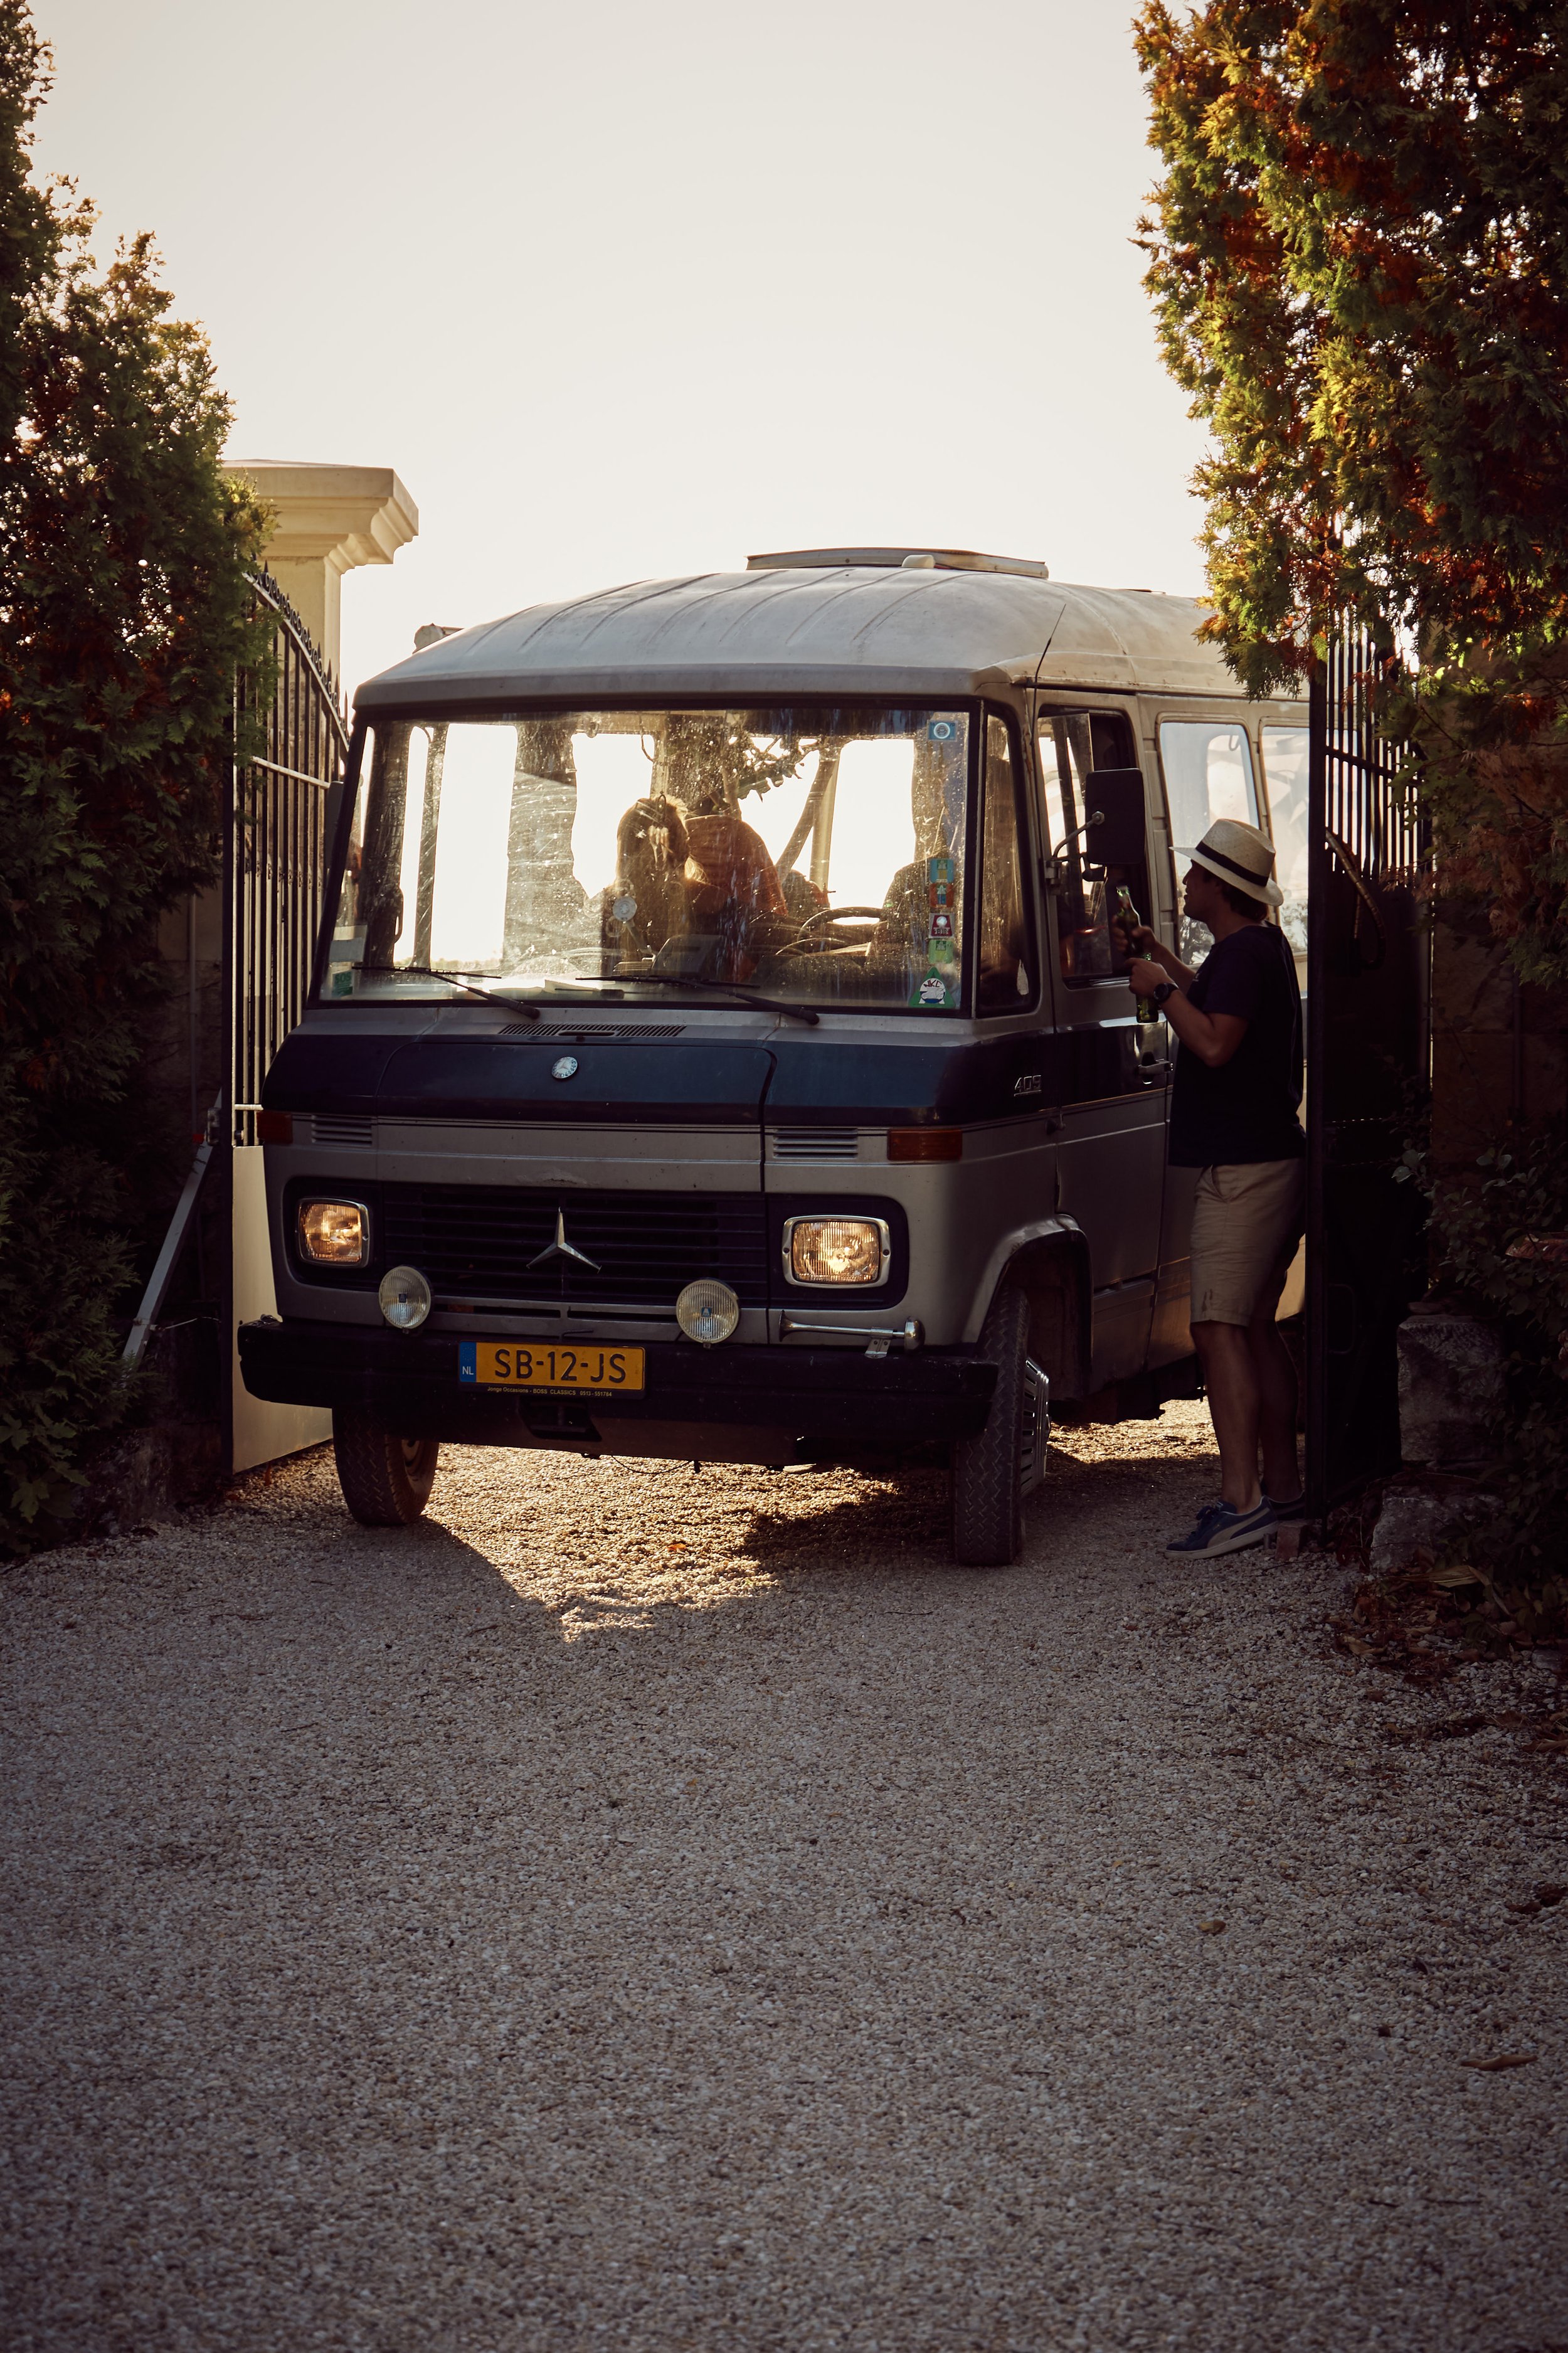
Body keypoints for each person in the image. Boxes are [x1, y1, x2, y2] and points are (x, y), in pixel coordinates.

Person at [1124, 818, 1306, 1556]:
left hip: (1242, 1173)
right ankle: (1285, 1489)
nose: (1186, 885)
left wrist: (1157, 985)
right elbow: (1212, 1000)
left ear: (1220, 889)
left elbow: (1210, 1040)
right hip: (1270, 1160)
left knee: (1216, 1327)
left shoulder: (1242, 954)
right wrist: (1156, 954)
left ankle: (1241, 1502)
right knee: (1255, 1325)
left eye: (1196, 876)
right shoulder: (1254, 952)